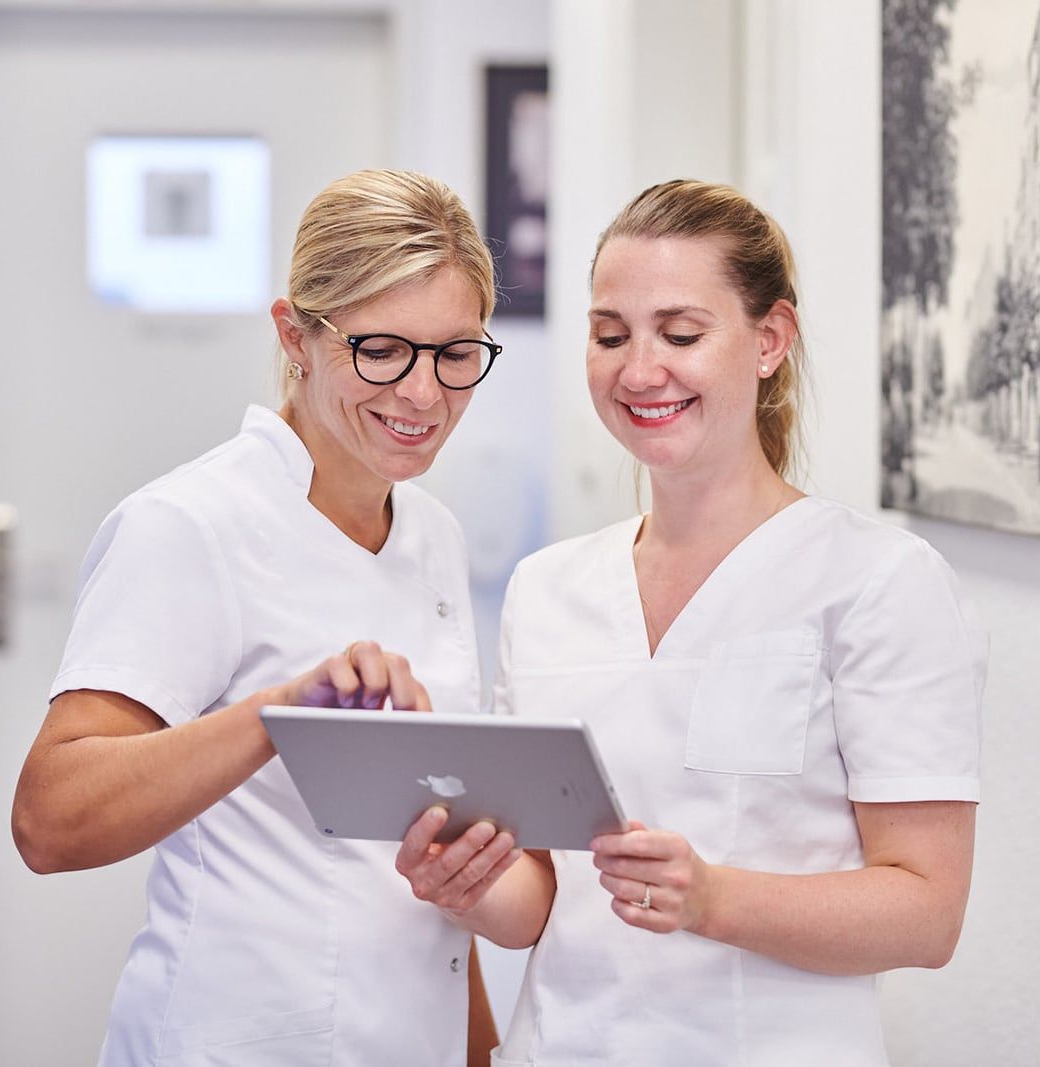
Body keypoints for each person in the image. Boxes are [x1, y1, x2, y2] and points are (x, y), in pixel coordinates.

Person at [395, 179, 987, 1065]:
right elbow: (541, 905)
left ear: (769, 340)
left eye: (680, 333)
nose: (639, 370)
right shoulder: (547, 589)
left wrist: (712, 897)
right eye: (609, 336)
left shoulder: (877, 583)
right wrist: (463, 879)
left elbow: (927, 912)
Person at [12, 169, 509, 1067]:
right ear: (296, 336)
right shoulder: (190, 526)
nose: (424, 393)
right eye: (382, 350)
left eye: (455, 353)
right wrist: (279, 715)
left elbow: (427, 865)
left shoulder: (434, 535)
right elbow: (50, 819)